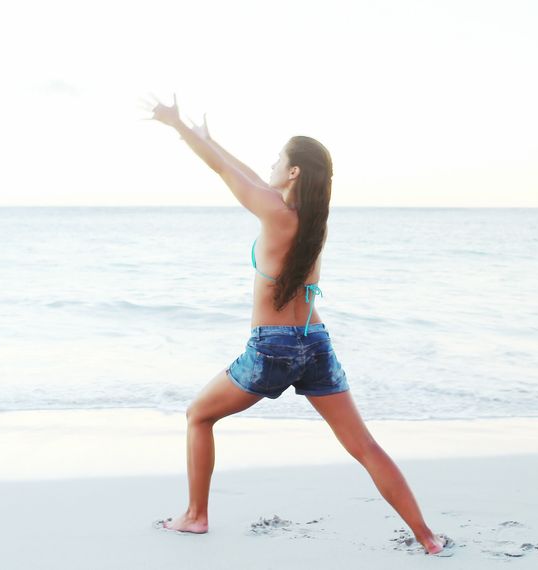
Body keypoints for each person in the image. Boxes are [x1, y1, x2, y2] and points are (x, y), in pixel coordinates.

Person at [140, 93, 454, 556]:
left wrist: (181, 128)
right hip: (315, 343)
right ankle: (427, 538)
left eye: (278, 160)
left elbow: (226, 173)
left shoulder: (275, 213)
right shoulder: (312, 221)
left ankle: (196, 516)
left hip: (273, 348)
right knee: (364, 445)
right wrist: (213, 139)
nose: (268, 166)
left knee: (198, 415)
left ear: (293, 172)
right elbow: (243, 173)